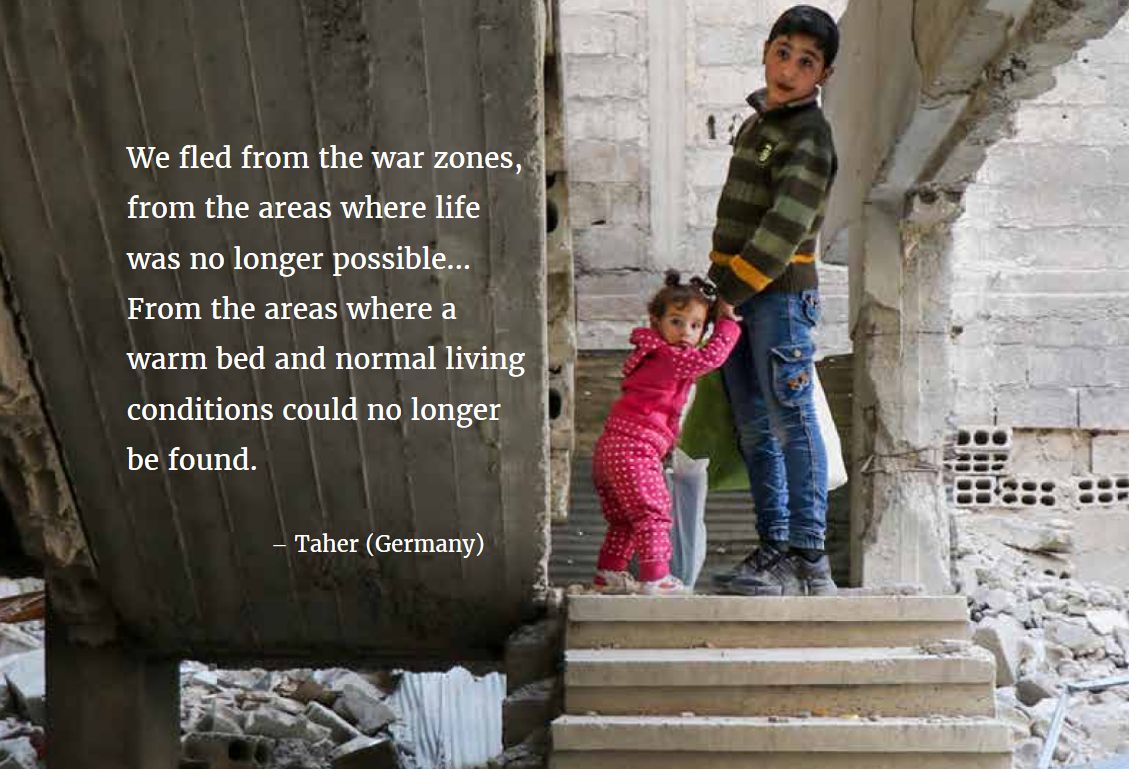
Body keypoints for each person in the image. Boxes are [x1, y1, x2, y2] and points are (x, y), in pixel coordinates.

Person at [707, 5, 840, 596]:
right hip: (736, 298)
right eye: (783, 53)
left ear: (822, 76)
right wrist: (718, 292)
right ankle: (774, 550)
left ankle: (809, 556)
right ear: (766, 50)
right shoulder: (762, 125)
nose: (789, 68)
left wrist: (728, 292)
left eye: (806, 62)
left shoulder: (809, 136)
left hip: (778, 303)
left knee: (791, 422)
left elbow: (783, 232)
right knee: (755, 428)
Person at [592, 272, 740, 595]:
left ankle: (609, 574)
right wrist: (728, 324)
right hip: (635, 449)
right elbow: (711, 358)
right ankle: (656, 578)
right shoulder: (669, 357)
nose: (686, 332)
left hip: (610, 450)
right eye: (676, 321)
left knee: (624, 520)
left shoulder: (649, 355)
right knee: (654, 513)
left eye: (696, 325)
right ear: (656, 321)